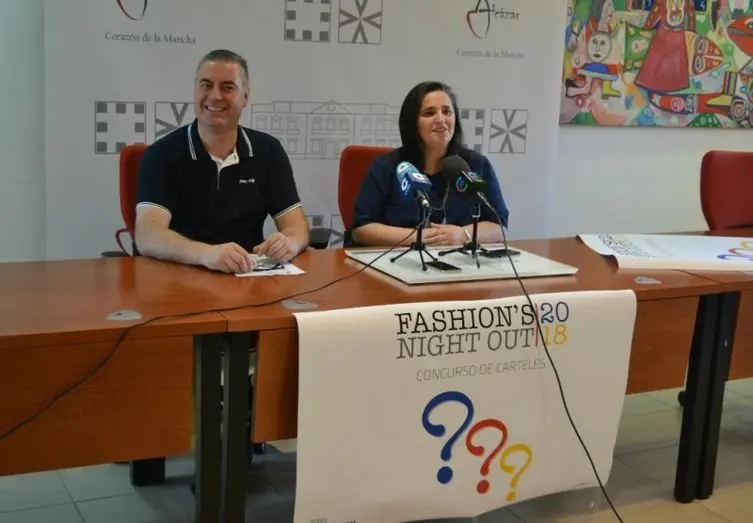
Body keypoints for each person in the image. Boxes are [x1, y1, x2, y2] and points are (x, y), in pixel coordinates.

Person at [135, 49, 310, 273]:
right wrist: (206, 254)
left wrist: (290, 242)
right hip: (180, 275)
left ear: (245, 97)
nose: (215, 96)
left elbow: (296, 226)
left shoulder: (268, 150)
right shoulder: (162, 154)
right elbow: (148, 235)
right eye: (206, 85)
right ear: (195, 92)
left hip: (248, 276)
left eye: (228, 87)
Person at [350, 81, 509, 247]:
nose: (440, 119)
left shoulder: (476, 164)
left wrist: (464, 235)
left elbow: (499, 225)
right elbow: (361, 228)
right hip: (401, 257)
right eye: (429, 113)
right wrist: (416, 237)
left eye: (447, 111)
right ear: (412, 123)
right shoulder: (387, 166)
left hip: (459, 259)